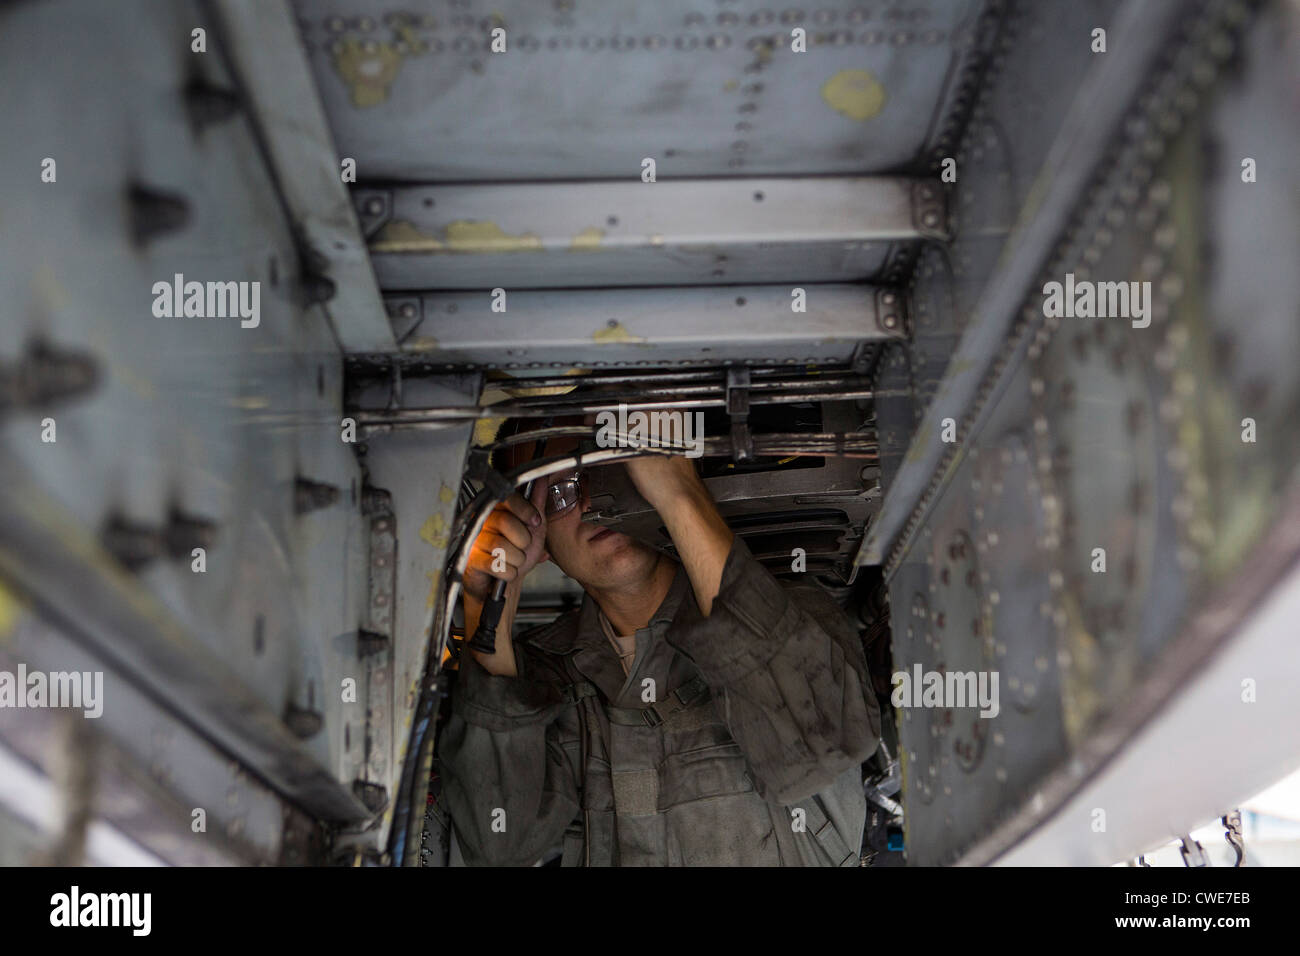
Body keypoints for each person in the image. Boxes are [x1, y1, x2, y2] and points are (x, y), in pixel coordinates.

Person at [437, 428, 881, 865]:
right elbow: (501, 842)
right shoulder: (545, 677)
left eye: (609, 469)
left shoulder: (789, 610)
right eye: (560, 491)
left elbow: (822, 746)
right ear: (541, 541)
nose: (592, 503)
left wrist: (678, 495)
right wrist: (486, 609)